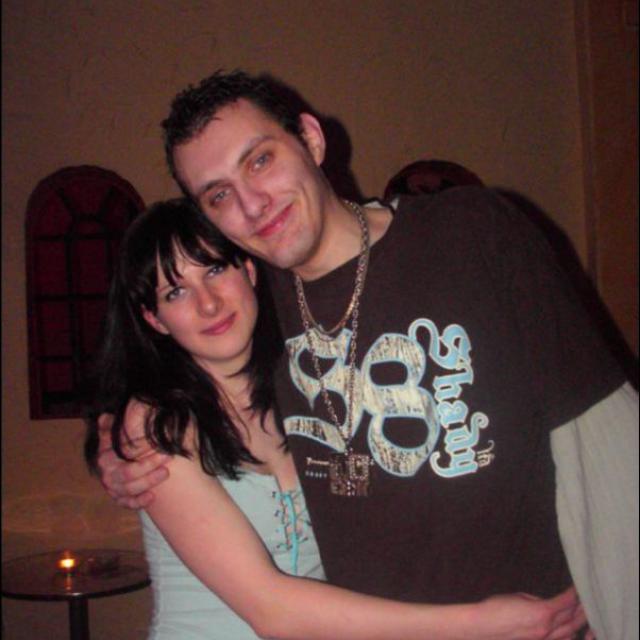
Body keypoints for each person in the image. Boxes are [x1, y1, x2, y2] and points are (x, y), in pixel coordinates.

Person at [97, 71, 639, 639]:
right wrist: (120, 444)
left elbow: (606, 439)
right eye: (219, 195)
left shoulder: (470, 232)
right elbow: (179, 385)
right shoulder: (254, 307)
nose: (252, 205)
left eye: (260, 160)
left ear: (311, 139)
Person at [86, 197, 587, 640]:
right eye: (175, 292)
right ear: (153, 319)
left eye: (215, 269)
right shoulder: (156, 424)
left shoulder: (306, 387)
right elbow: (270, 610)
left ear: (250, 270)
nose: (208, 303)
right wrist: (480, 625)